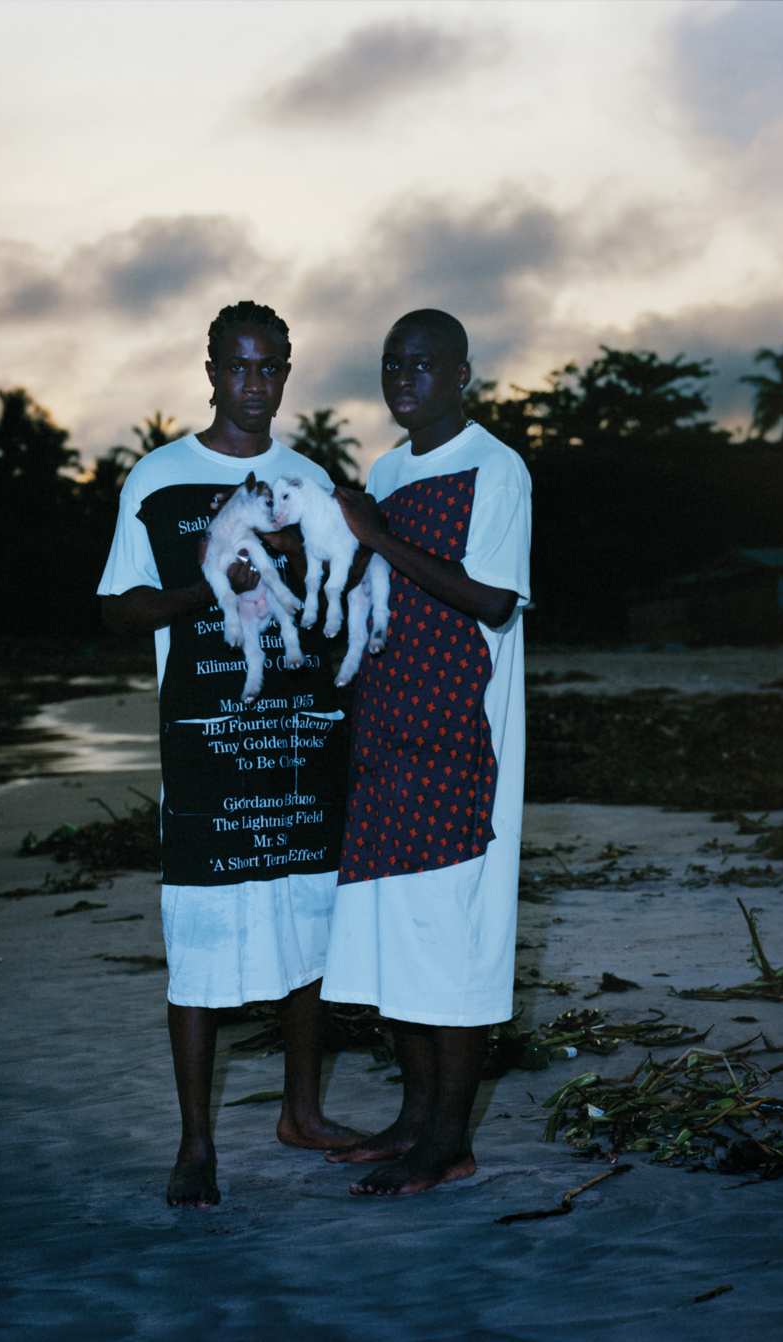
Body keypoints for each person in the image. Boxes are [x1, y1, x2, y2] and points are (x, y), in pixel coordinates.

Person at [98, 300, 362, 1209]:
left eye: (272, 368)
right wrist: (211, 581)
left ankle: (302, 1112)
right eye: (240, 368)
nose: (256, 386)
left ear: (288, 373)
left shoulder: (312, 480)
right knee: (200, 945)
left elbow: (346, 590)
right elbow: (118, 609)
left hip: (300, 737)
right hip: (210, 743)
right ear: (210, 370)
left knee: (307, 929)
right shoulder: (160, 478)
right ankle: (196, 1145)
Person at [321, 309, 532, 1195]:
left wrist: (374, 533)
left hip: (460, 737)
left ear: (461, 375)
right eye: (391, 363)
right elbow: (373, 591)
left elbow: (489, 600)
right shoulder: (387, 471)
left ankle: (448, 1140)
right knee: (397, 940)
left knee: (452, 940)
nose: (402, 377)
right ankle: (412, 1119)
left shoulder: (496, 468)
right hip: (388, 728)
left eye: (422, 364)